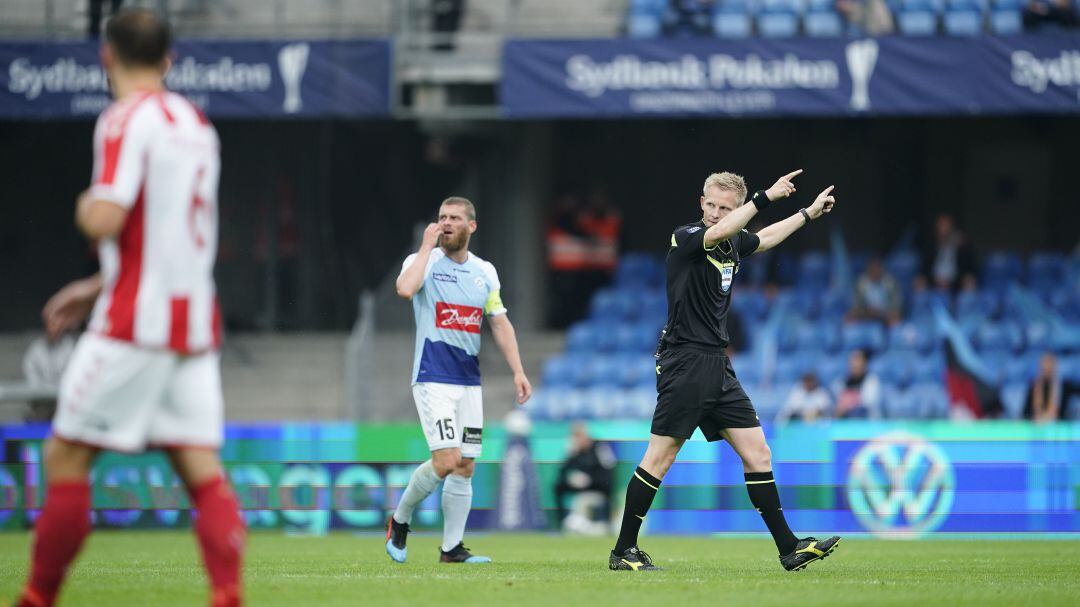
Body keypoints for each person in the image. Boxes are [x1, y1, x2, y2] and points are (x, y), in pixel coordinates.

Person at [17, 10, 244, 607]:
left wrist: (83, 203)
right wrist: (97, 283)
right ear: (170, 59)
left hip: (133, 325)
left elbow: (107, 216)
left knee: (65, 455)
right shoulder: (196, 124)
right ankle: (228, 595)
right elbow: (168, 236)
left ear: (106, 56)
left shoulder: (123, 118)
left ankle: (37, 596)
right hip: (192, 324)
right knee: (201, 470)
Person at [609, 170, 841, 573]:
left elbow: (764, 238)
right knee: (660, 457)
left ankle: (790, 548)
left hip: (717, 364)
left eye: (725, 208)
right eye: (711, 204)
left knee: (758, 452)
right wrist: (764, 198)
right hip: (685, 361)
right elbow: (719, 233)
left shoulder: (732, 241)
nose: (716, 213)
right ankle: (623, 550)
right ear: (701, 202)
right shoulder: (686, 237)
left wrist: (808, 213)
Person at [386, 196, 532, 564]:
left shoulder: (485, 272)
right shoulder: (424, 261)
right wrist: (425, 246)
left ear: (471, 226)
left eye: (454, 218)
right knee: (447, 459)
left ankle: (451, 549)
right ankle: (400, 520)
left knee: (465, 464)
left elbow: (499, 321)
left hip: (468, 381)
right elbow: (405, 289)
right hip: (433, 376)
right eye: (442, 217)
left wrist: (518, 370)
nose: (446, 223)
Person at [554, 423, 616, 531]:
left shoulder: (600, 448)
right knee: (558, 487)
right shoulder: (575, 452)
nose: (577, 440)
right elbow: (562, 473)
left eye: (579, 436)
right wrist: (570, 456)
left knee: (605, 490)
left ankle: (606, 523)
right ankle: (561, 524)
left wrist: (589, 480)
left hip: (598, 486)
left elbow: (609, 473)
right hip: (580, 487)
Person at [921, 213, 977, 292]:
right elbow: (924, 269)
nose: (944, 230)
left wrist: (962, 246)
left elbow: (971, 269)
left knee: (969, 288)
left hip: (956, 285)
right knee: (920, 286)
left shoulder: (962, 248)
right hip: (933, 283)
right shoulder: (930, 247)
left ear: (952, 228)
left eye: (946, 226)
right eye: (941, 226)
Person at [847, 256, 902, 326]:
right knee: (850, 317)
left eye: (878, 268)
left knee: (895, 318)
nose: (875, 271)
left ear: (882, 269)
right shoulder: (861, 283)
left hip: (886, 313)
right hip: (866, 312)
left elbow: (896, 303)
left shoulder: (890, 282)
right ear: (868, 269)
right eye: (873, 269)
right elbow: (856, 303)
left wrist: (884, 311)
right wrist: (866, 310)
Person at [833, 349, 882, 419]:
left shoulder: (872, 381)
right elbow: (837, 404)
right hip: (846, 422)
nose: (854, 364)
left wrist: (847, 408)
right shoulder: (842, 382)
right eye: (852, 361)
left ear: (865, 363)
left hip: (866, 422)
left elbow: (867, 406)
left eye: (857, 360)